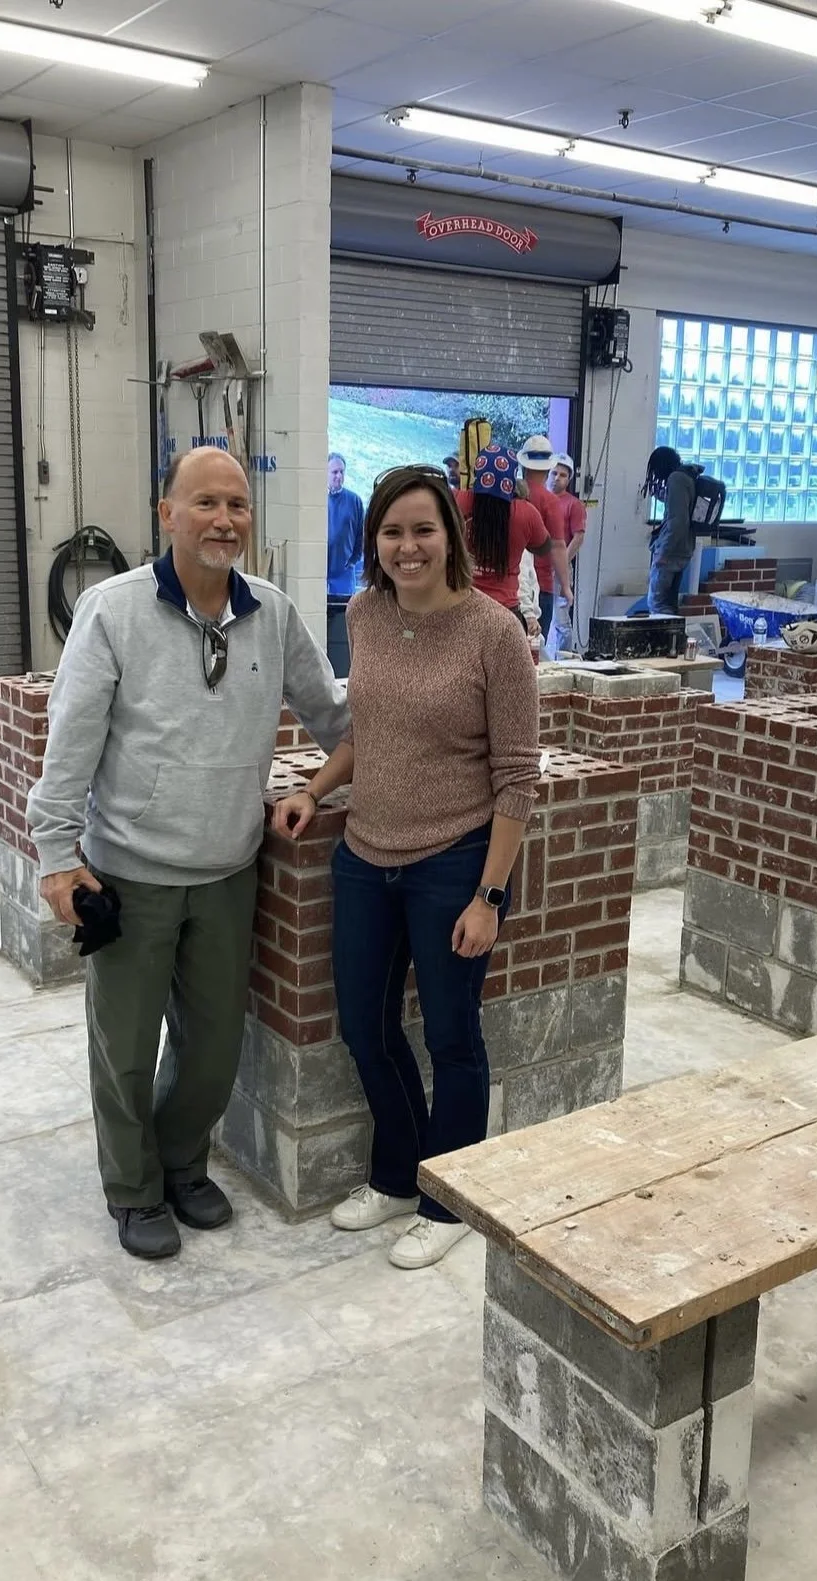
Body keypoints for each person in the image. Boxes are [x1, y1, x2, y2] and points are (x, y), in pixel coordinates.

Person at [27, 447, 349, 1261]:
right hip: (128, 873)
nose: (224, 519)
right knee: (125, 1051)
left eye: (237, 505)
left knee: (211, 1054)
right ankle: (134, 1188)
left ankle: (181, 1160)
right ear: (166, 514)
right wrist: (57, 853)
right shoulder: (112, 611)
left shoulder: (272, 614)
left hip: (228, 870)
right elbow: (70, 743)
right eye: (204, 502)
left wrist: (413, 751)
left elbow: (333, 716)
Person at [271, 464, 540, 1271]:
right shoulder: (365, 613)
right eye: (392, 532)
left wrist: (489, 894)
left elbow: (517, 777)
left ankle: (448, 1198)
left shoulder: (495, 634)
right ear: (374, 541)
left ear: (449, 535)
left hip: (454, 861)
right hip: (365, 856)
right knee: (365, 1025)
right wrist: (315, 791)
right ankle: (395, 1173)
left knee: (454, 1037)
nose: (407, 546)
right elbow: (367, 732)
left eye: (423, 529)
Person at [453, 444, 568, 627]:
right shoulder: (525, 512)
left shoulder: (459, 500)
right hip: (505, 612)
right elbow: (543, 546)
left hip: (463, 609)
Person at [518, 436, 574, 636]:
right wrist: (566, 586)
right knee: (534, 653)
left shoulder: (510, 495)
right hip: (539, 588)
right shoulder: (549, 502)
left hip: (510, 588)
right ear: (548, 467)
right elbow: (558, 547)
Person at [643, 446, 697, 616]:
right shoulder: (687, 476)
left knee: (657, 603)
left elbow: (678, 520)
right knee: (669, 603)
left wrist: (663, 553)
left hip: (671, 553)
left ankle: (664, 640)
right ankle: (673, 640)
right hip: (683, 550)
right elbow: (680, 508)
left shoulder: (676, 479)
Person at [327, 452, 364, 598]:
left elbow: (360, 536)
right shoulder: (316, 502)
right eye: (334, 472)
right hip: (320, 573)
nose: (339, 476)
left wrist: (352, 561)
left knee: (344, 615)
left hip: (344, 574)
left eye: (342, 472)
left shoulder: (354, 501)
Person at [551, 453, 588, 573]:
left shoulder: (574, 504)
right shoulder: (539, 499)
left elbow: (578, 538)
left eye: (562, 475)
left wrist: (561, 563)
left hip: (558, 568)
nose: (557, 478)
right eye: (554, 473)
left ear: (568, 480)